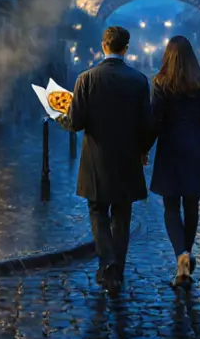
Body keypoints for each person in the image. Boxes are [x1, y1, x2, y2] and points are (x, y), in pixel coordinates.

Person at [58, 26, 154, 296]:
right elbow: (147, 125)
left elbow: (75, 123)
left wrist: (58, 115)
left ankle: (108, 263)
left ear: (103, 47)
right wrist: (143, 150)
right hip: (127, 159)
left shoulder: (86, 79)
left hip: (96, 160)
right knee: (122, 217)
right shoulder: (139, 80)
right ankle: (116, 274)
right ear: (126, 48)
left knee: (98, 213)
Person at [149, 36, 200, 290]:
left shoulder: (160, 83)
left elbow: (155, 123)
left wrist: (142, 148)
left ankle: (181, 253)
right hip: (195, 150)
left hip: (170, 150)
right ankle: (186, 255)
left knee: (171, 206)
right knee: (192, 206)